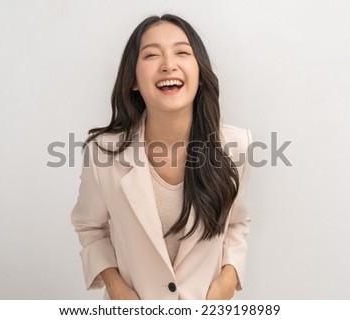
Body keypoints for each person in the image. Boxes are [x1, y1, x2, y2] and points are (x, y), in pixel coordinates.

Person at [71, 14, 252, 300]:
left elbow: (237, 222)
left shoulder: (235, 145)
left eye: (182, 52)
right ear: (132, 80)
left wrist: (228, 278)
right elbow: (89, 226)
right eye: (152, 55)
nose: (169, 64)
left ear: (200, 73)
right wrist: (117, 288)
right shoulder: (102, 153)